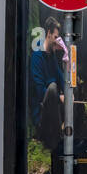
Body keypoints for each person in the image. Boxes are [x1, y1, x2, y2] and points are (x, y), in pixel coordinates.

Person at [29, 16, 66, 152]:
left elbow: (60, 77)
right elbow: (40, 91)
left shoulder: (52, 56)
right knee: (52, 88)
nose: (57, 40)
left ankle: (67, 134)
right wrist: (59, 95)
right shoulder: (37, 56)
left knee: (69, 88)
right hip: (41, 112)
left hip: (54, 106)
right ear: (48, 34)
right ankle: (56, 138)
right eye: (55, 36)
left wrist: (68, 93)